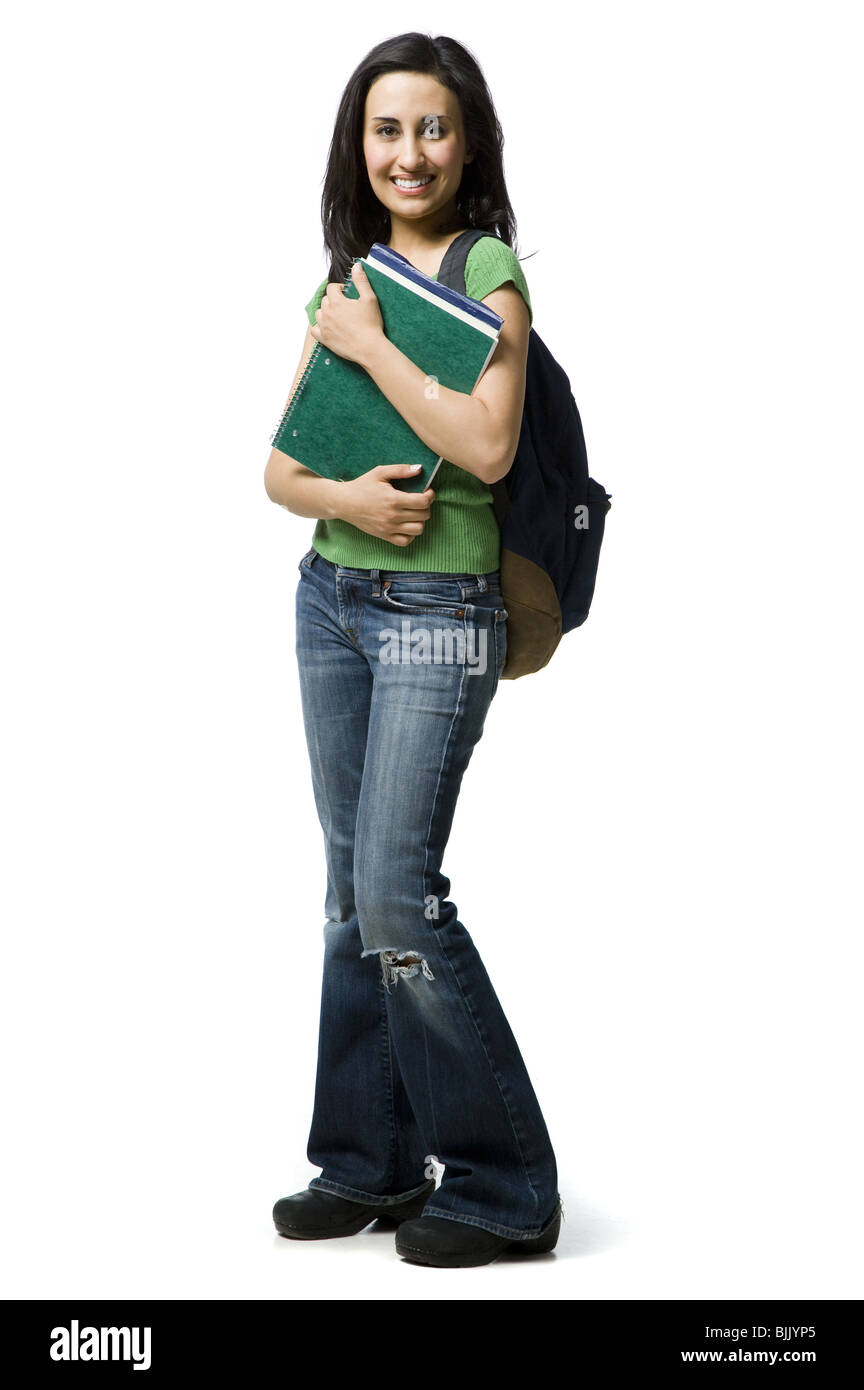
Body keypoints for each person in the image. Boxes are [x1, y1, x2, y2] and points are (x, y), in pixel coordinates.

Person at [264, 32, 561, 1269]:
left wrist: (376, 345)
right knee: (350, 897)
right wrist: (350, 501)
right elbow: (278, 471)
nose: (407, 152)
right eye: (385, 130)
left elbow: (488, 450)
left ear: (468, 140)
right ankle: (367, 1163)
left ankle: (501, 1185)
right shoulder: (345, 277)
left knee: (398, 889)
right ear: (358, 146)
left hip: (440, 617)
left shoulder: (484, 270)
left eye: (430, 128)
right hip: (333, 597)